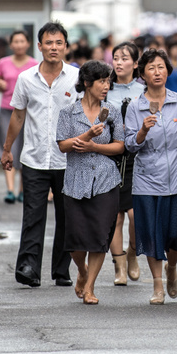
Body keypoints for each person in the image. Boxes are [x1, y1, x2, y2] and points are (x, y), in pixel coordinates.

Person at [125, 49, 177, 305]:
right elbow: (129, 145)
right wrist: (141, 131)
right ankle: (158, 285)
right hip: (147, 181)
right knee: (152, 234)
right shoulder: (135, 106)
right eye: (151, 68)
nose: (157, 72)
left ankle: (171, 268)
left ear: (168, 70)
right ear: (142, 74)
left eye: (161, 67)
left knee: (176, 235)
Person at [1, 22, 79, 288]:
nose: (53, 48)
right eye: (49, 43)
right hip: (34, 157)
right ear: (40, 46)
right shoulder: (26, 78)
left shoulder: (76, 79)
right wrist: (7, 148)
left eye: (59, 43)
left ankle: (62, 270)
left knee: (67, 216)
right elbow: (18, 114)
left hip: (68, 158)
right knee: (33, 214)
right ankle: (28, 267)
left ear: (65, 46)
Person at [56, 60, 124, 304]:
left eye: (108, 81)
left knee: (99, 236)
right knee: (75, 238)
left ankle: (90, 287)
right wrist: (87, 135)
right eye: (101, 81)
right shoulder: (68, 112)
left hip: (106, 180)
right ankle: (82, 271)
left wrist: (96, 146)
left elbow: (120, 146)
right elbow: (63, 145)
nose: (106, 86)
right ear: (87, 83)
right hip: (76, 180)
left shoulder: (112, 111)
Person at [105, 41, 145, 285]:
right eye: (116, 58)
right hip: (109, 155)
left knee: (136, 214)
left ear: (136, 63)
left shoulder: (144, 90)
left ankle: (132, 254)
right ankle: (119, 266)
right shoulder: (105, 89)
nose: (119, 62)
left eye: (124, 58)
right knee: (115, 216)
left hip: (138, 157)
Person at [0, 31, 39, 204]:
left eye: (22, 41)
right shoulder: (2, 63)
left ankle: (22, 190)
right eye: (16, 41)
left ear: (28, 44)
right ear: (11, 44)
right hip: (7, 110)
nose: (19, 44)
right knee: (9, 147)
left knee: (25, 149)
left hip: (28, 112)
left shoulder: (35, 64)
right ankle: (10, 190)